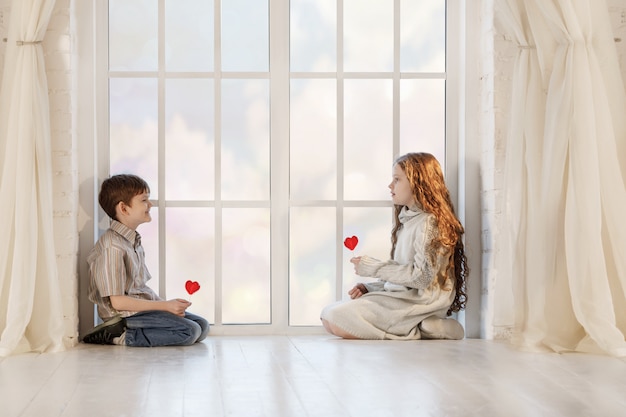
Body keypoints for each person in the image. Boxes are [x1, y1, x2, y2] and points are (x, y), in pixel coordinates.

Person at [321, 152, 469, 340]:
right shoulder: (408, 221)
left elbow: (422, 277)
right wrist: (371, 288)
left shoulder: (430, 223)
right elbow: (402, 273)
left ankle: (422, 326)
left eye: (397, 180)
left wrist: (373, 268)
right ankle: (421, 326)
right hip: (400, 297)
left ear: (418, 183)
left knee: (336, 319)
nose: (390, 186)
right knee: (328, 315)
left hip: (419, 301)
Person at [82, 174, 210, 346]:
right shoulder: (112, 247)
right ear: (124, 208)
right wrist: (165, 306)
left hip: (141, 310)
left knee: (202, 326)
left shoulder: (131, 241)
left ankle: (138, 330)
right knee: (190, 331)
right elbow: (118, 302)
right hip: (122, 316)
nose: (150, 205)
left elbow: (138, 288)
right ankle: (118, 335)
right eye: (144, 200)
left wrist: (166, 305)